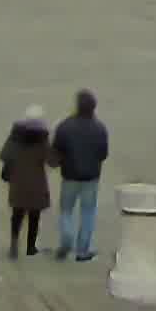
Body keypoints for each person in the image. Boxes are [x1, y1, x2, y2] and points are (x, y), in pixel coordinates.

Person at [49, 88, 112, 262]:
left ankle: (66, 239)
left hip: (69, 176)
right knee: (88, 213)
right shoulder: (100, 128)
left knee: (66, 211)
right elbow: (103, 153)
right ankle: (83, 250)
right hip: (91, 177)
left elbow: (56, 150)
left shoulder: (65, 126)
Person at [0, 105, 54, 259]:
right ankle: (31, 247)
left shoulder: (15, 136)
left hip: (18, 182)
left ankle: (14, 245)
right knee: (34, 217)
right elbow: (52, 161)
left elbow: (4, 155)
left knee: (17, 215)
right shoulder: (43, 139)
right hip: (37, 183)